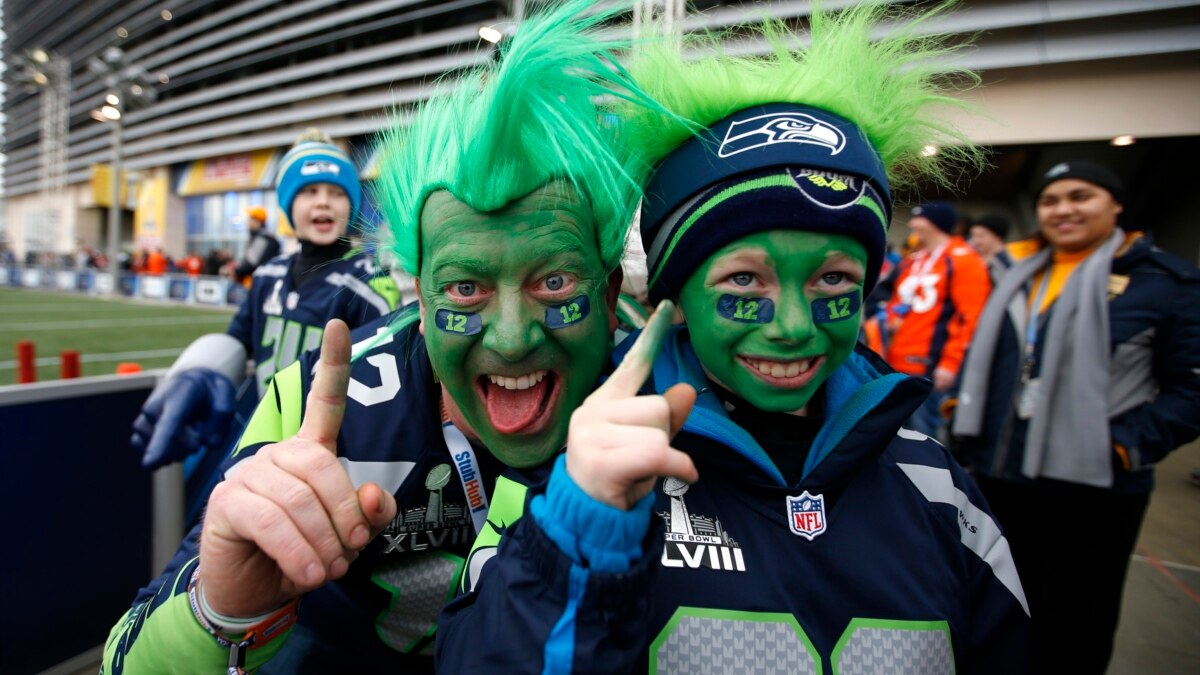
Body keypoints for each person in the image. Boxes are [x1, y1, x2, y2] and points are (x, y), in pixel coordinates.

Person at [438, 4, 1030, 673]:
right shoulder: (576, 467)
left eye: (834, 277)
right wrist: (580, 534)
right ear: (675, 298)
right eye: (744, 280)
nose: (794, 326)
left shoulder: (937, 487)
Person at [102, 2, 664, 672]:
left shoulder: (663, 392)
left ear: (608, 294)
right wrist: (222, 610)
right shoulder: (322, 403)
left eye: (555, 283)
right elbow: (123, 659)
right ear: (419, 302)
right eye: (465, 289)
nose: (512, 340)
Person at [950, 159, 1200, 674]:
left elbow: (1190, 390)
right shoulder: (1016, 274)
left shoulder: (1164, 284)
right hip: (1000, 475)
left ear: (1116, 204)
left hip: (1093, 490)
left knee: (1074, 627)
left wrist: (1126, 446)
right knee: (995, 605)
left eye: (1080, 196)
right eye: (1050, 200)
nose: (1063, 209)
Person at [129, 129, 397, 473]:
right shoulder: (269, 274)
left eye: (336, 192)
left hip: (331, 453)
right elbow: (239, 339)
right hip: (260, 442)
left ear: (352, 204)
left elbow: (384, 388)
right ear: (288, 205)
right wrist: (202, 369)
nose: (323, 201)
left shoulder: (368, 282)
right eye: (309, 191)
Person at [869, 200, 990, 438]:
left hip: (928, 366)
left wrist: (950, 363)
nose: (913, 230)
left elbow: (970, 316)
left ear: (934, 225)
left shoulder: (963, 259)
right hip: (893, 360)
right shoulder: (913, 261)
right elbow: (884, 294)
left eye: (918, 224)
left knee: (924, 437)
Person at [231, 204, 280, 286]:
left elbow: (251, 263)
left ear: (257, 221)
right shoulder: (262, 237)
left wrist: (236, 271)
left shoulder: (263, 238)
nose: (248, 222)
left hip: (259, 283)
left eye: (250, 219)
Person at [967, 212, 1013, 282]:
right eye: (973, 236)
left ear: (997, 236)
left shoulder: (1006, 262)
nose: (975, 241)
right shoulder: (974, 260)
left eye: (980, 236)